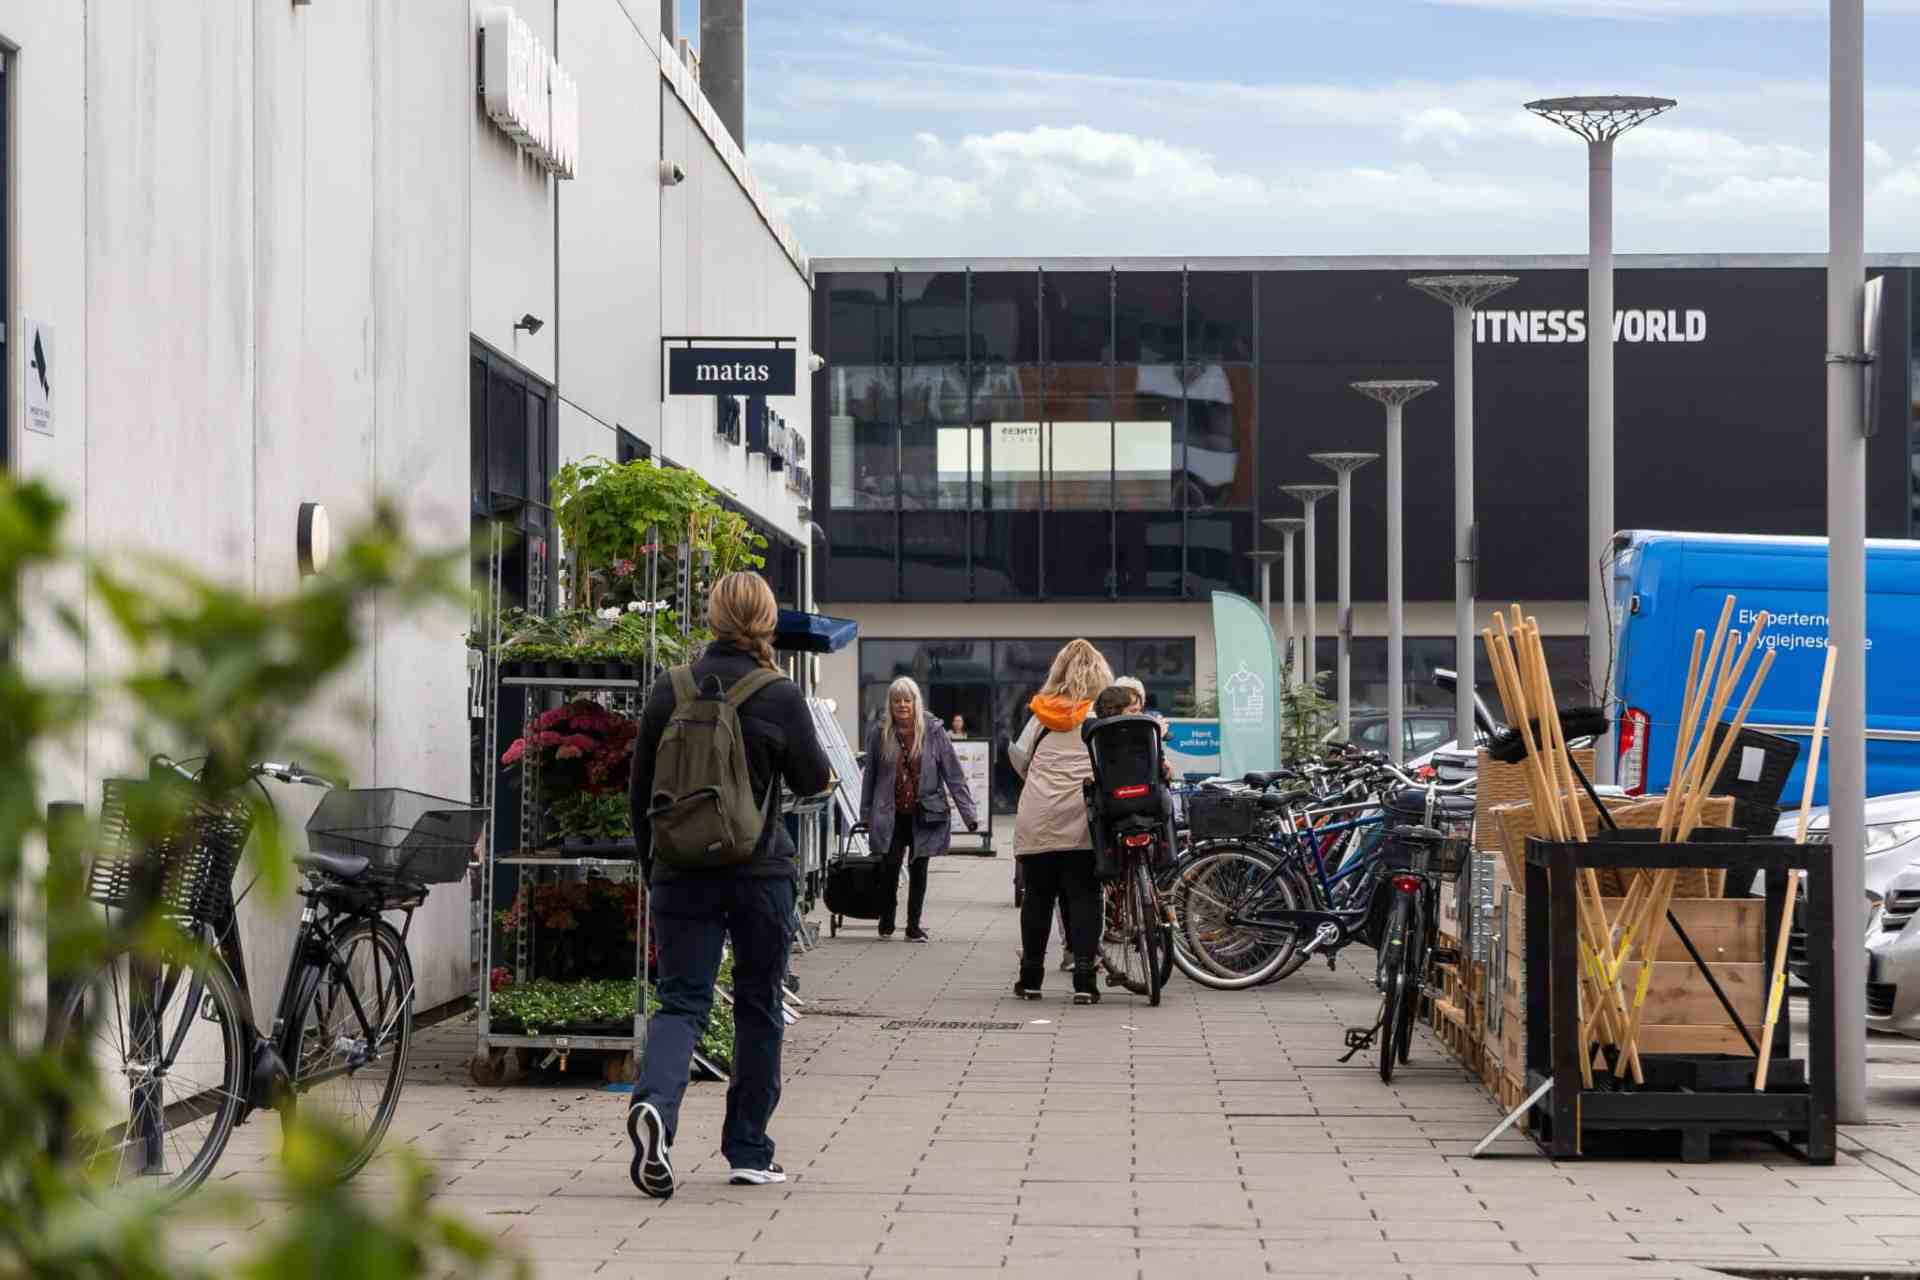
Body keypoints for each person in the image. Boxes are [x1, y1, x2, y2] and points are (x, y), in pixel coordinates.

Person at [624, 571, 831, 1200]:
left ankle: (656, 1105)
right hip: (759, 871)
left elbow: (639, 795)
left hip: (680, 873)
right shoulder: (780, 695)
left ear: (712, 618)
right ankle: (748, 1150)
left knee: (681, 1001)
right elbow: (816, 778)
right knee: (759, 1005)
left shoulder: (671, 690)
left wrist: (654, 866)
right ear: (767, 621)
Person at [1008, 638, 1114, 1004]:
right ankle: (1085, 980)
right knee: (1084, 896)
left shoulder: (1040, 718)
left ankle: (1031, 978)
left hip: (1038, 817)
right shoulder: (1100, 719)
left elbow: (1019, 759)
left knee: (1038, 896)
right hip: (1082, 821)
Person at [860, 677, 979, 941]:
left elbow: (954, 774)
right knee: (889, 867)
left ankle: (913, 926)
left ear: (916, 702)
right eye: (897, 700)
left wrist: (969, 815)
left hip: (923, 813)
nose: (902, 705)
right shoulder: (880, 732)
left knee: (919, 868)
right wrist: (866, 815)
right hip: (889, 813)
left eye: (907, 700)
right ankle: (887, 920)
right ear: (890, 704)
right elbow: (870, 778)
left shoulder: (933, 732)